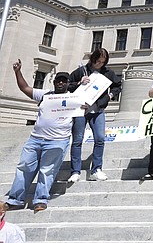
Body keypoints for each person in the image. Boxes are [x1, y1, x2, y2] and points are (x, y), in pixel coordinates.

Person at [6, 61, 71, 212]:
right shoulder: (45, 95)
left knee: (47, 171)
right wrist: (17, 72)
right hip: (35, 139)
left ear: (68, 83)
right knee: (24, 168)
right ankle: (15, 199)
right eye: (58, 80)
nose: (60, 82)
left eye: (64, 80)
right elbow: (25, 88)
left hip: (57, 141)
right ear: (54, 83)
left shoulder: (74, 98)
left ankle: (40, 200)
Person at [67, 48, 122, 183]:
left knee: (100, 139)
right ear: (92, 59)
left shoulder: (108, 73)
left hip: (98, 110)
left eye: (103, 62)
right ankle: (75, 171)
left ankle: (96, 169)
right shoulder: (81, 71)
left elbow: (118, 86)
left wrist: (109, 96)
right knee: (77, 140)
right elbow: (68, 85)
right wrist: (79, 82)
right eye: (98, 61)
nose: (100, 64)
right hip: (80, 110)